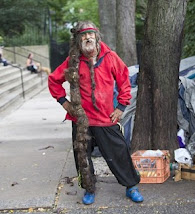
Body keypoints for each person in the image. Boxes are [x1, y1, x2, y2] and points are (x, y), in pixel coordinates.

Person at [48, 21, 143, 205]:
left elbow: (124, 81)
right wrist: (64, 102)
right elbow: (53, 81)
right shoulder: (73, 62)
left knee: (120, 153)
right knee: (81, 156)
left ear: (97, 37)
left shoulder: (110, 57)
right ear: (78, 40)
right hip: (81, 120)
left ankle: (131, 186)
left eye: (90, 34)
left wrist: (121, 107)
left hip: (105, 118)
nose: (87, 37)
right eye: (83, 35)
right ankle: (89, 188)